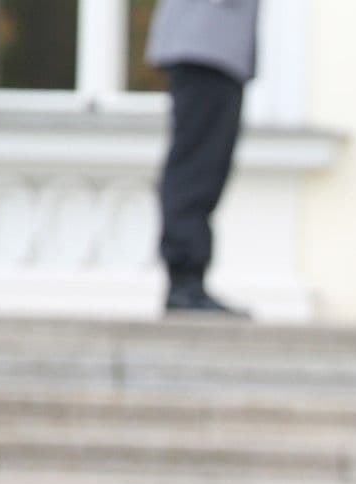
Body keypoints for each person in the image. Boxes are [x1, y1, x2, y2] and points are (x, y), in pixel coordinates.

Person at [146, 0, 258, 316]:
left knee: (204, 166)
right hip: (205, 47)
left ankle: (187, 280)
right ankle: (185, 280)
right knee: (196, 167)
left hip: (213, 47)